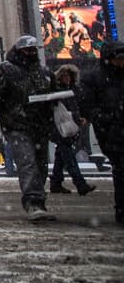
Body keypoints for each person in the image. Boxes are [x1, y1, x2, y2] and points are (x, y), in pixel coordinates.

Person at [0, 35, 57, 223]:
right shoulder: (6, 71)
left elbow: (53, 95)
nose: (31, 53)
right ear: (19, 51)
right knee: (27, 162)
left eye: (33, 50)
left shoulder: (42, 72)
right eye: (27, 50)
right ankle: (33, 202)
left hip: (39, 125)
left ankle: (39, 200)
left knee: (39, 165)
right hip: (16, 125)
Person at [77, 41, 124, 226]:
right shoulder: (95, 78)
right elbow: (87, 105)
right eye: (118, 59)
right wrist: (104, 116)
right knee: (121, 171)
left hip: (112, 126)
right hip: (112, 131)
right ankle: (121, 210)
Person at [48, 65, 94, 197]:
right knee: (68, 156)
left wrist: (81, 117)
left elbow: (78, 106)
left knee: (61, 155)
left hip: (67, 126)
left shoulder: (71, 90)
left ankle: (56, 182)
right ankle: (80, 183)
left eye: (69, 76)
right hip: (61, 127)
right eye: (65, 76)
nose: (67, 78)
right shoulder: (60, 91)